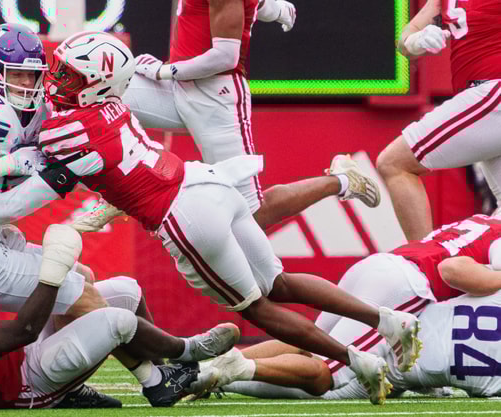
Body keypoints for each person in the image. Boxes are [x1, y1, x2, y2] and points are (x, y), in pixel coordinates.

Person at [0, 31, 422, 405]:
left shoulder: (61, 129)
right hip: (203, 183)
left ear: (89, 86)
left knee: (258, 309)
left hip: (182, 213)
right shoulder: (111, 104)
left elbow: (28, 193)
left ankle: (358, 360)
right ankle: (388, 321)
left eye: (66, 75)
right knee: (277, 282)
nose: (53, 80)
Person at [0, 225, 236, 408]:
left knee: (126, 290)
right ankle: (186, 352)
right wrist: (51, 273)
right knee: (114, 322)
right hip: (24, 384)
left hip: (19, 360)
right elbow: (23, 331)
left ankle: (163, 374)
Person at [121, 0, 380, 231]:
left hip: (215, 96)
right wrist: (277, 9)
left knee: (252, 214)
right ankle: (124, 184)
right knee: (102, 95)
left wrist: (162, 71)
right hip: (179, 87)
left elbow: (225, 58)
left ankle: (342, 181)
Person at [186, 213, 501, 399]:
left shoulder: (484, 221)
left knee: (307, 345)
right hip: (405, 286)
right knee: (330, 375)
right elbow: (452, 270)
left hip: (384, 266)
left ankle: (201, 369)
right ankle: (238, 369)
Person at [376, 0, 501, 242]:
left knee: (394, 163)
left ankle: (424, 270)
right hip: (484, 101)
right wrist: (416, 41)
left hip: (492, 91)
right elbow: (404, 41)